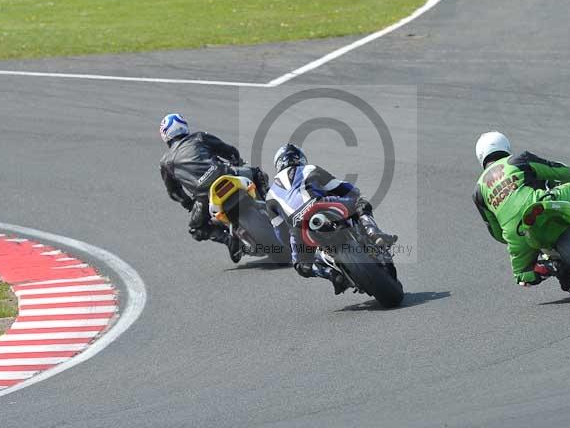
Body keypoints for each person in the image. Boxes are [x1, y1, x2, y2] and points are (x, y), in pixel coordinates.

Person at [472, 131, 570, 290]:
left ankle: (548, 267)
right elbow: (563, 172)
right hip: (538, 204)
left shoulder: (478, 192)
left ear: (481, 157)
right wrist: (569, 177)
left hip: (516, 233)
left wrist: (514, 238)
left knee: (523, 275)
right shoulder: (517, 160)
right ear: (506, 146)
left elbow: (496, 232)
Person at [265, 143, 397, 294]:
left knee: (301, 266)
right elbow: (346, 189)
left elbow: (280, 233)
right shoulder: (309, 169)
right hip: (320, 204)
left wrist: (295, 247)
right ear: (299, 158)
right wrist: (352, 197)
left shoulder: (270, 196)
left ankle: (331, 274)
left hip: (298, 225)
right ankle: (372, 231)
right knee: (360, 202)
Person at [159, 113, 267, 262]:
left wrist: (189, 204)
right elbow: (229, 150)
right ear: (183, 126)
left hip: (204, 195)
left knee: (196, 229)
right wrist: (236, 162)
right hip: (226, 174)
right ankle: (272, 203)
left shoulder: (165, 162)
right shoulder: (198, 137)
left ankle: (228, 240)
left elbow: (174, 192)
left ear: (166, 135)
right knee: (257, 173)